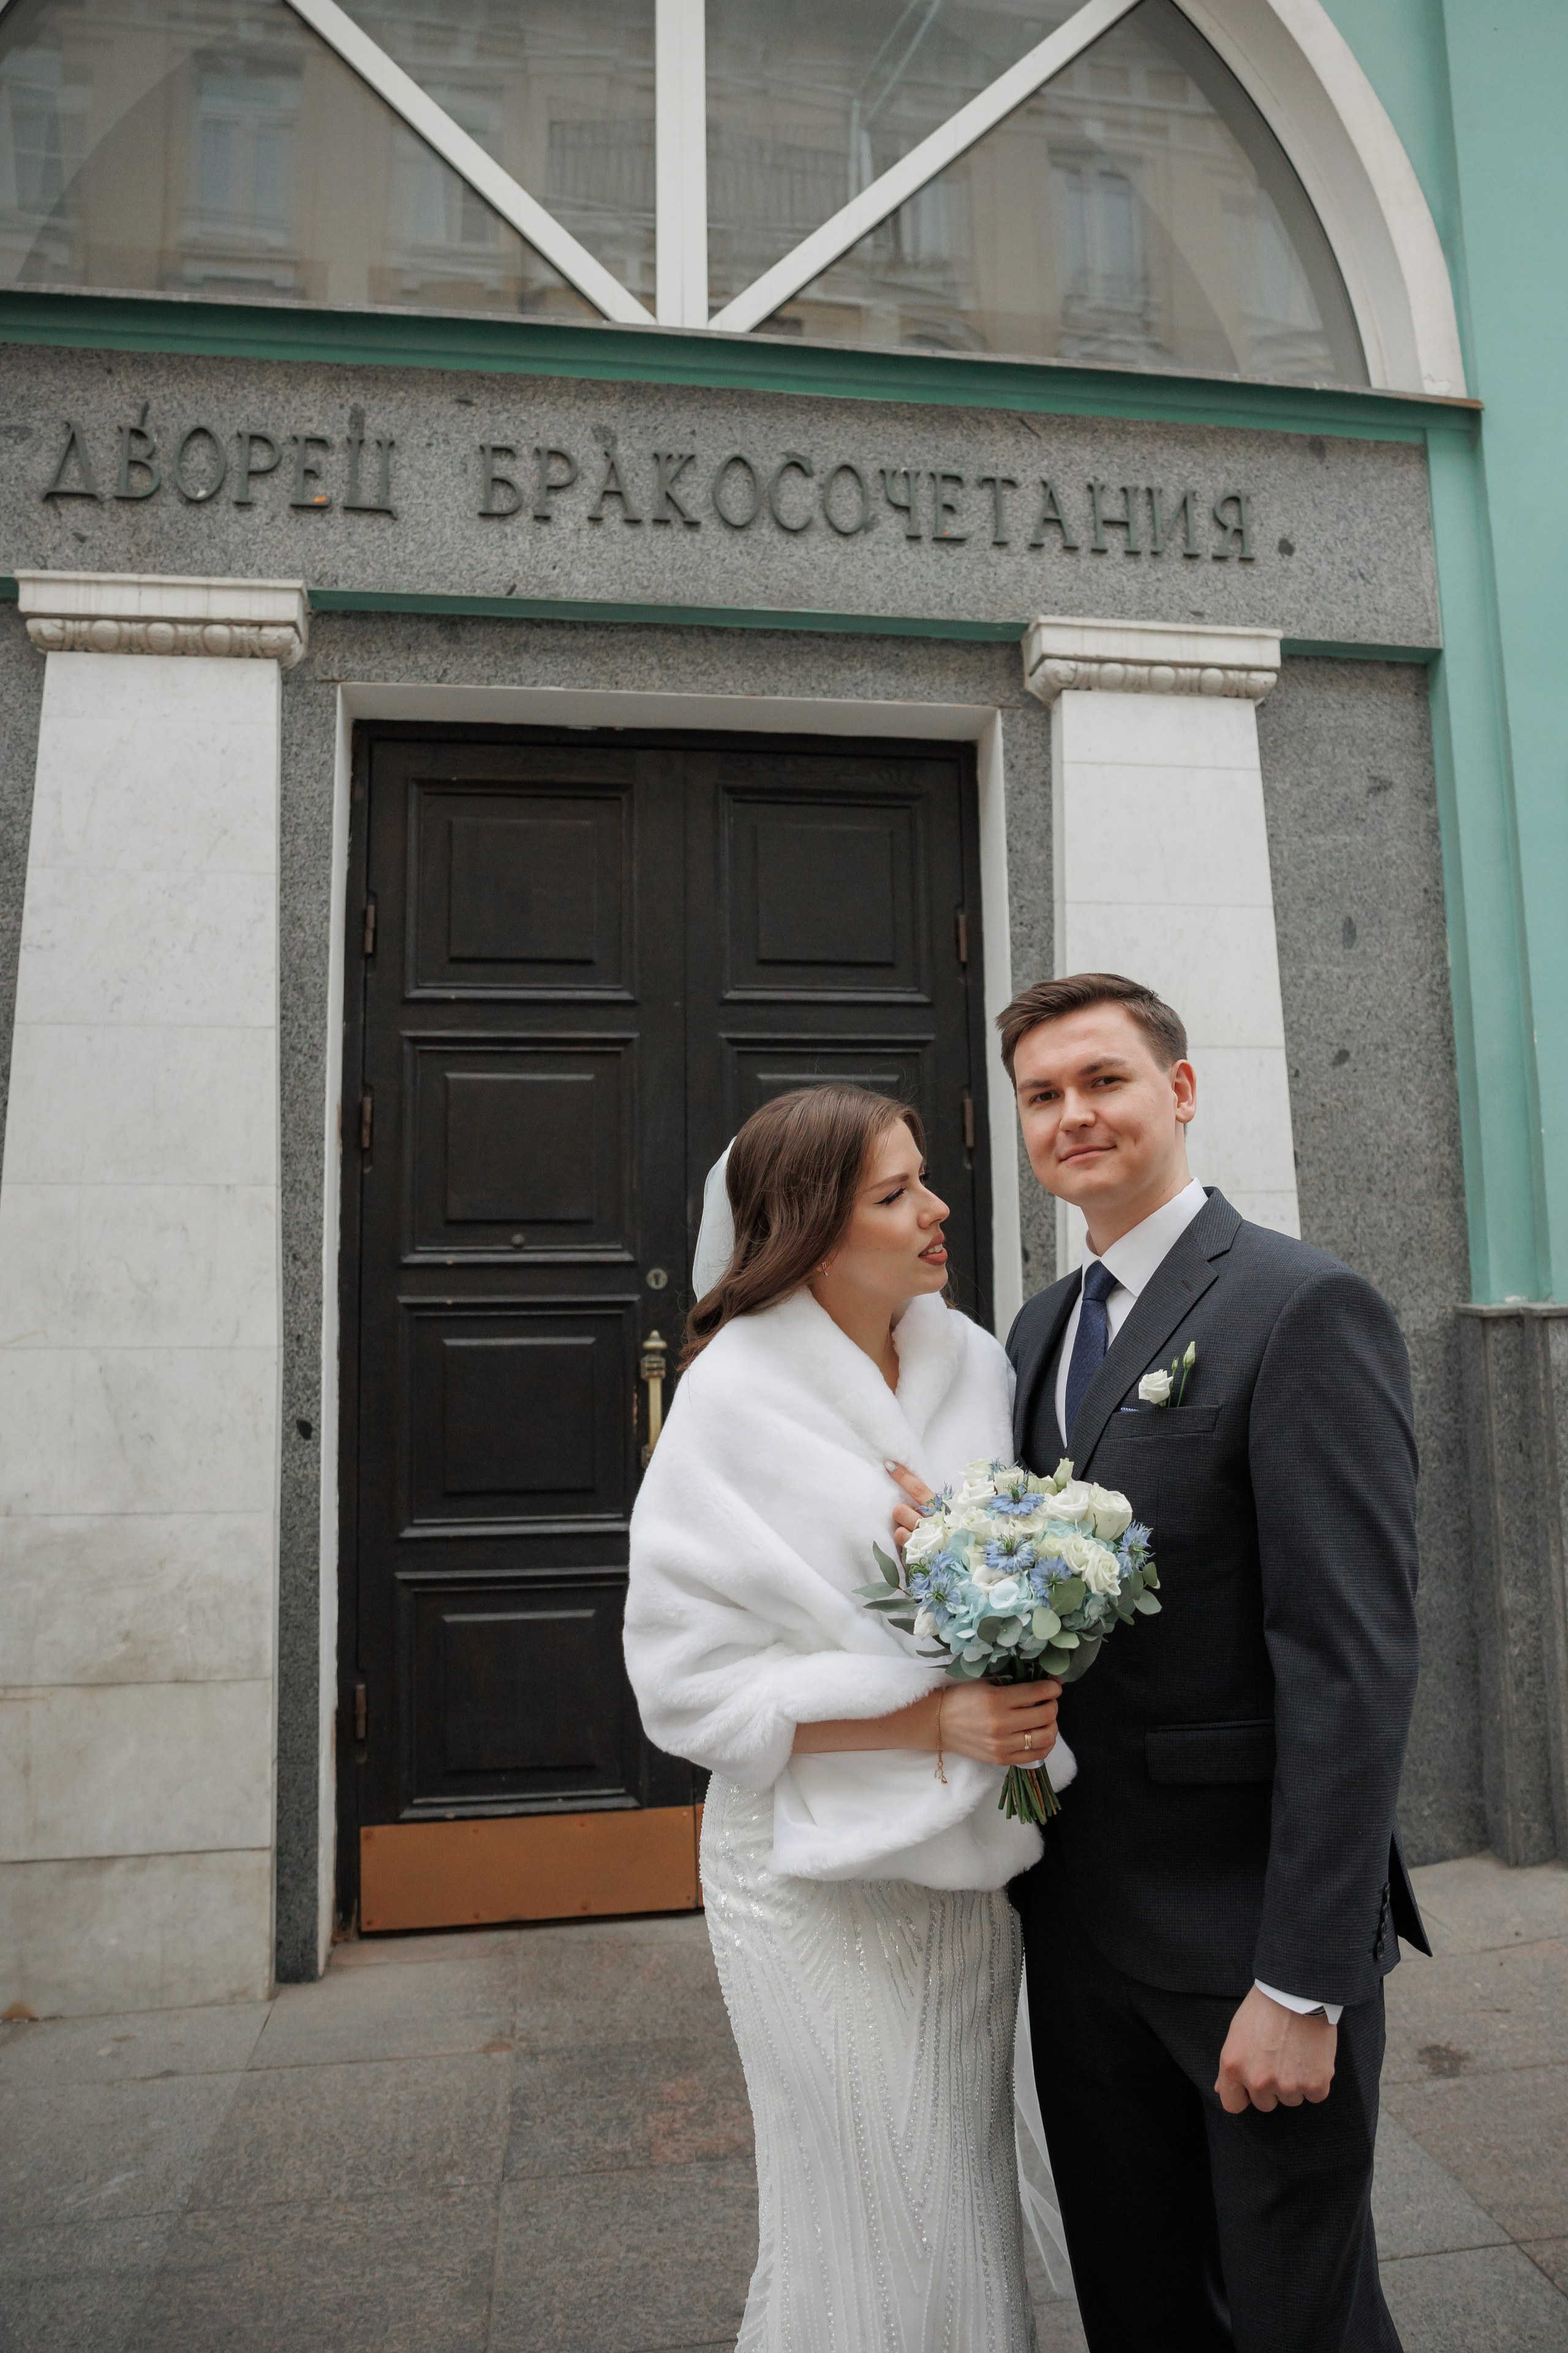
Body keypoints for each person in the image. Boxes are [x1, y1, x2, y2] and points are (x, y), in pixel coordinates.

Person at [980, 970, 1428, 2353]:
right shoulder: (1039, 1330)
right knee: (1138, 2303)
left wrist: (1301, 1982)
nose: (1073, 1117)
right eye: (1041, 1097)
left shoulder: (1301, 1306)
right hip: (1082, 1928)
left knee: (1297, 2315)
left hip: (1247, 1932)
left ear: (1176, 1090)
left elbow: (1350, 1662)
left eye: (1101, 1080)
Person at [623, 1085, 1072, 2353]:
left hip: (965, 1876)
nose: (936, 1210)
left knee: (960, 2193)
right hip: (806, 1875)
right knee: (864, 2204)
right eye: (894, 1194)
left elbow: (1025, 1574)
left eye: (924, 1179)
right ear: (813, 1227)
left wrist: (997, 1571)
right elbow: (686, 1692)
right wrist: (922, 1724)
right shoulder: (731, 1402)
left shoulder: (975, 1364)